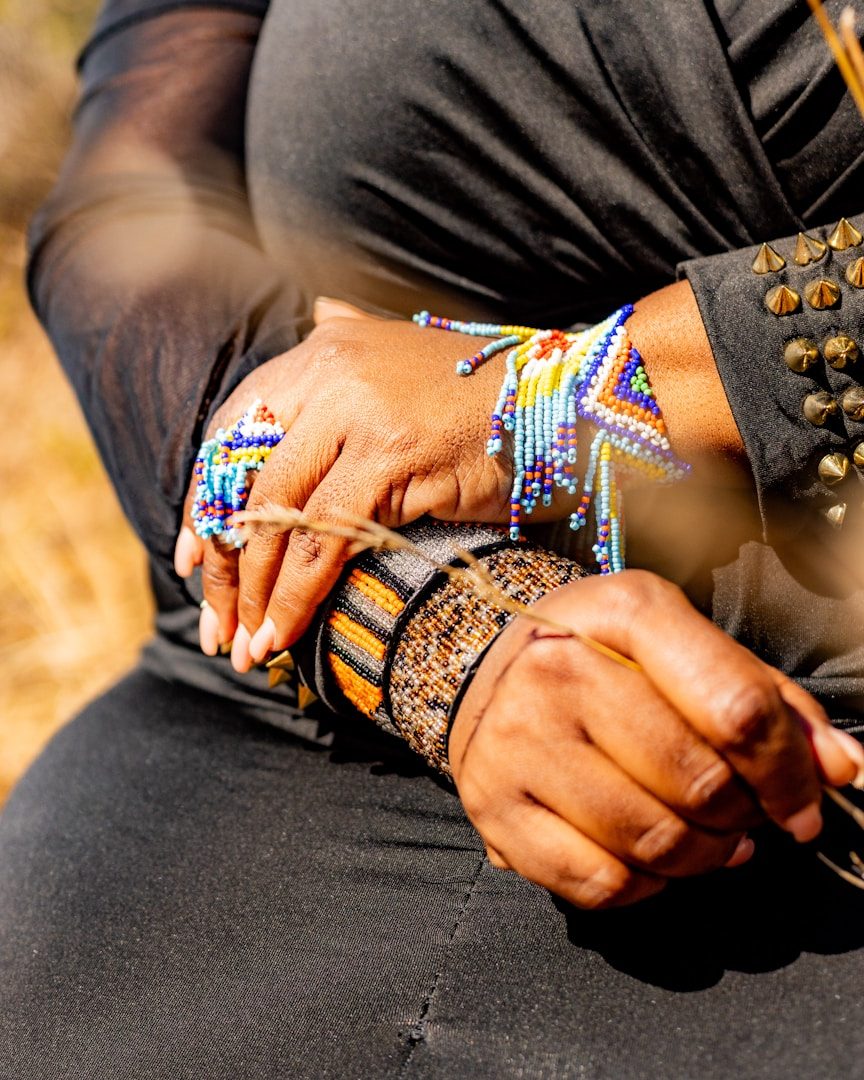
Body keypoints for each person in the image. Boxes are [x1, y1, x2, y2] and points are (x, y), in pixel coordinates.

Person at [3, 1, 864, 1076]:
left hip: (794, 780)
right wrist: (433, 615)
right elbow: (124, 202)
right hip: (294, 695)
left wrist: (567, 393)